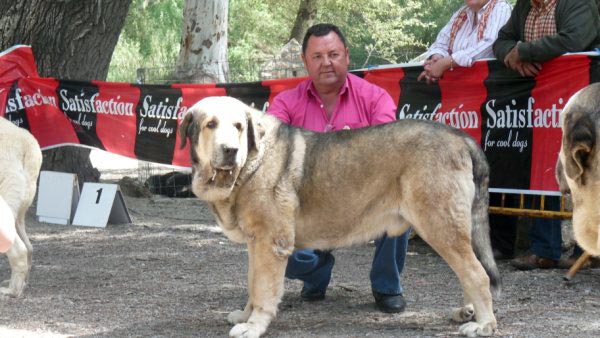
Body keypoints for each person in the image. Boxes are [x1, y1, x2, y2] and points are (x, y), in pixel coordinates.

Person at [267, 23, 410, 313]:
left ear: (347, 55)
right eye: (317, 57)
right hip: (308, 204)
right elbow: (270, 146)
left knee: (400, 202)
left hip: (366, 200)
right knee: (275, 241)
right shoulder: (284, 102)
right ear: (304, 62)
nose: (326, 63)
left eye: (333, 54)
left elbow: (387, 151)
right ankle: (317, 273)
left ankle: (387, 286)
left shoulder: (375, 98)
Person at [492, 0, 600, 269]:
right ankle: (544, 249)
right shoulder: (523, 7)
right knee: (541, 166)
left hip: (582, 99)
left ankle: (586, 249)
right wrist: (515, 59)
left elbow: (575, 39)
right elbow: (502, 40)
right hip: (543, 100)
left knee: (584, 168)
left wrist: (524, 51)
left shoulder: (578, 2)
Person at [418, 0, 512, 83]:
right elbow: (441, 43)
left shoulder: (501, 7)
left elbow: (490, 44)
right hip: (460, 90)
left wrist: (445, 63)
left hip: (491, 87)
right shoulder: (461, 13)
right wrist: (437, 58)